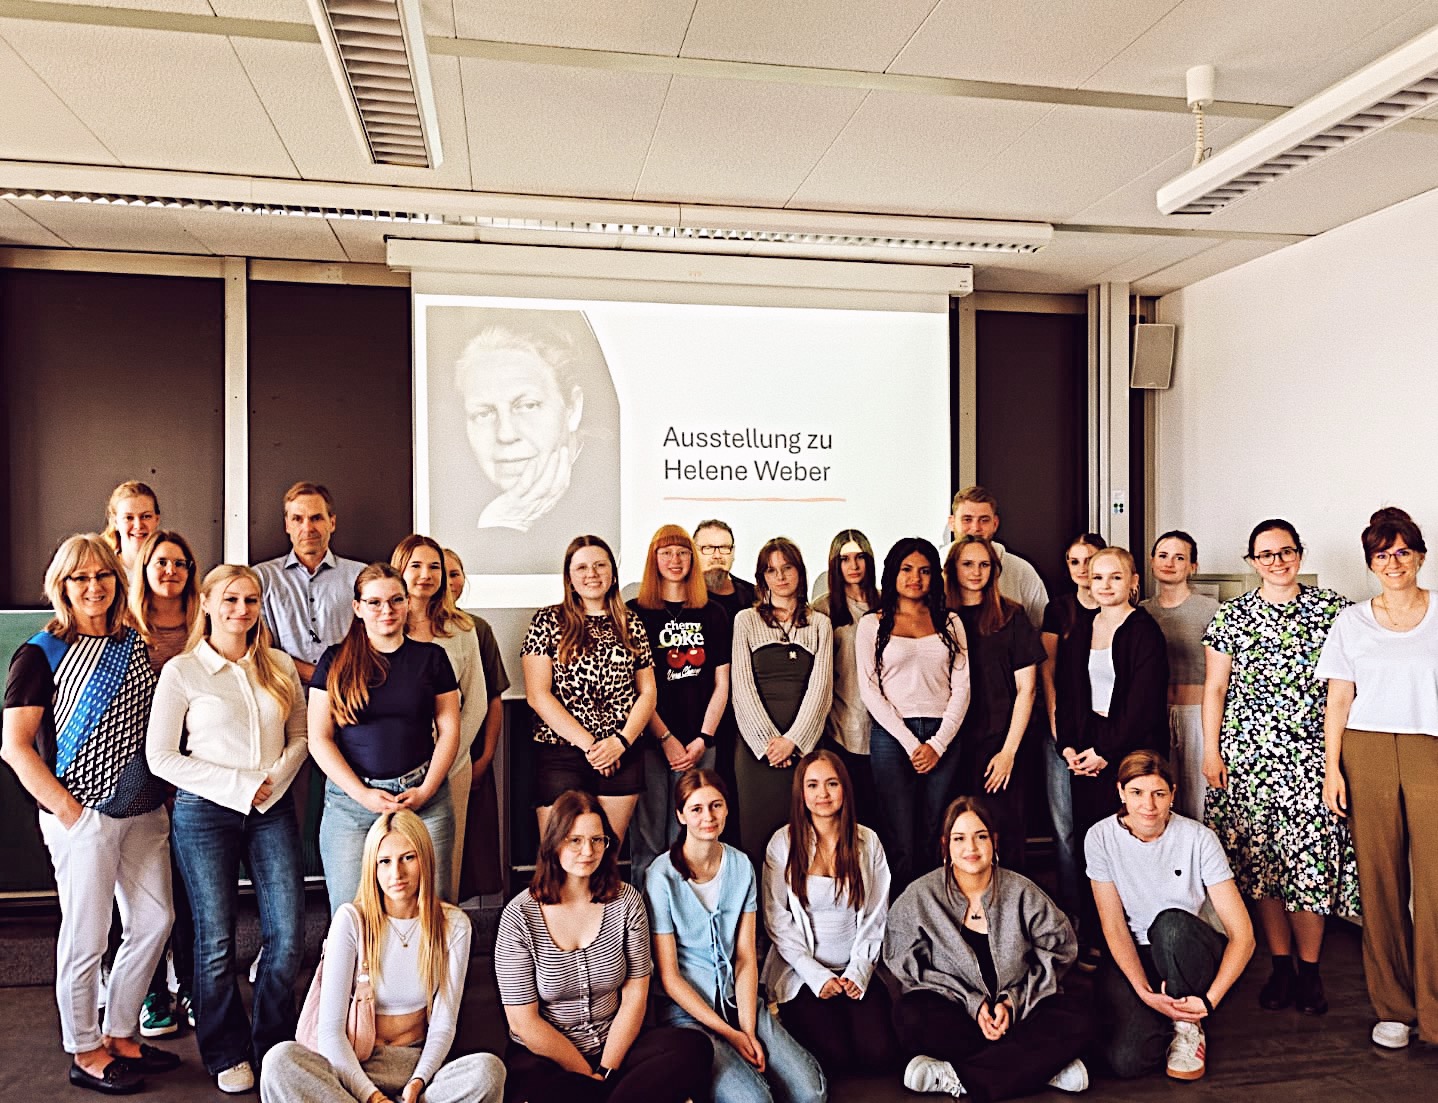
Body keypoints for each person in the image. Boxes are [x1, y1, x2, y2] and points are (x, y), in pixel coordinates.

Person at [2, 534, 179, 1095]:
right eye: (80, 577)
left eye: (103, 575)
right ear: (62, 586)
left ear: (117, 582)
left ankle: (120, 1034)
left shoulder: (134, 643)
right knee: (87, 936)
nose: (93, 586)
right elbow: (16, 746)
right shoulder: (40, 652)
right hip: (83, 815)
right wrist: (70, 813)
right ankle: (84, 1048)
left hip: (144, 811)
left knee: (154, 922)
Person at [146, 564, 308, 1093]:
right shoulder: (183, 671)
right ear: (208, 605)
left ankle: (274, 1047)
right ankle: (225, 1053)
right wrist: (239, 786)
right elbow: (161, 757)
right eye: (231, 599)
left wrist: (269, 783)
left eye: (251, 600)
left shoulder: (278, 664)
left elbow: (301, 735)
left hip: (272, 808)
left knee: (287, 934)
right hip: (205, 813)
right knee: (214, 940)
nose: (242, 610)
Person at [1203, 518, 1356, 1018]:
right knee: (1263, 868)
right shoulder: (1232, 615)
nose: (1277, 561)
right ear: (1252, 562)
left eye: (1285, 551)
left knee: (1308, 868)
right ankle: (1281, 967)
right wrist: (1211, 751)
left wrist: (1335, 764)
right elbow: (1216, 689)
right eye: (1265, 554)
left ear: (1299, 554)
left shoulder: (1334, 610)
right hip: (1247, 760)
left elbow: (1345, 687)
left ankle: (1311, 972)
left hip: (1311, 759)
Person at [261, 811, 506, 1103]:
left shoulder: (454, 925)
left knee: (488, 1071)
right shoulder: (351, 920)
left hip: (417, 1071)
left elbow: (443, 1025)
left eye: (408, 858)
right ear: (372, 867)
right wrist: (372, 1097)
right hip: (351, 1071)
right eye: (385, 862)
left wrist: (417, 1082)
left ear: (425, 859)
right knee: (279, 1061)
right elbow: (330, 1033)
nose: (396, 874)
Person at [495, 790, 711, 1103]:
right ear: (554, 843)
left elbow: (635, 994)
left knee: (694, 1048)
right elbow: (523, 1022)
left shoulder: (627, 901)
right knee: (547, 1092)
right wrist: (587, 1075)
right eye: (575, 840)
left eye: (597, 840)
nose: (588, 851)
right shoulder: (519, 916)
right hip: (547, 1059)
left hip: (616, 1048)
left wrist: (607, 1071)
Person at [1319, 506, 1438, 1049]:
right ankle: (1394, 1008)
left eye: (1402, 552)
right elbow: (1338, 698)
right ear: (1370, 563)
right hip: (1365, 750)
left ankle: (1435, 1011)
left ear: (1420, 556)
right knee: (1380, 881)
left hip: (1429, 748)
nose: (1393, 563)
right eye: (1382, 555)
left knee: (1434, 885)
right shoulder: (1352, 621)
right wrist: (1331, 769)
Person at [884, 796, 1089, 1101]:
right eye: (959, 838)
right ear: (945, 845)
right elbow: (905, 962)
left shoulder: (1022, 892)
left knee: (1078, 1013)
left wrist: (1011, 1002)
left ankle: (959, 1077)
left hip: (1021, 1013)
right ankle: (1040, 1070)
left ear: (994, 841)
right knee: (910, 1015)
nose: (971, 847)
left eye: (980, 837)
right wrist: (973, 1004)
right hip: (957, 1014)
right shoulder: (920, 896)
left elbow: (1059, 950)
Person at [647, 769, 828, 1103]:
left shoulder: (741, 866)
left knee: (811, 1093)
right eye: (696, 809)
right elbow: (670, 977)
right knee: (756, 1101)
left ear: (727, 808)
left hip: (737, 1000)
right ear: (680, 815)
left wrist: (747, 1028)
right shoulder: (660, 876)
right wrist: (730, 1035)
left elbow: (745, 957)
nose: (708, 817)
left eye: (716, 806)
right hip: (688, 1014)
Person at [1087, 751, 1255, 1081]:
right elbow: (1114, 926)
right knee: (1128, 1061)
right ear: (1120, 792)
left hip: (1189, 944)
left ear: (1173, 794)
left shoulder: (1198, 838)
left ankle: (1188, 1025)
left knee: (1170, 925)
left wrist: (1209, 1002)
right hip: (1139, 951)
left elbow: (1244, 936)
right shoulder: (1100, 837)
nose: (1148, 805)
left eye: (1159, 794)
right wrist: (1145, 994)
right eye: (1137, 793)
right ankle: (1165, 1013)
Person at [309, 564, 461, 914]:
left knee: (433, 908)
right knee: (351, 912)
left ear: (407, 603)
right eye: (374, 602)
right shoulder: (334, 661)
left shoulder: (432, 658)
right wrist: (362, 794)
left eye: (395, 600)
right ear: (358, 607)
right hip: (351, 803)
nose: (386, 610)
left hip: (424, 797)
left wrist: (425, 791)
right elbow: (319, 738)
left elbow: (450, 730)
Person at [1055, 546, 1168, 959]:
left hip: (1131, 750)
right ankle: (1097, 936)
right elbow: (1068, 692)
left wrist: (1105, 751)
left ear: (1133, 581)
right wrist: (1068, 746)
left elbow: (1143, 703)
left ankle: (1139, 938)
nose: (1105, 585)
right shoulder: (1082, 627)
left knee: (1132, 840)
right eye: (1098, 576)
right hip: (1087, 747)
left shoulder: (1144, 630)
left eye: (1115, 577)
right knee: (1093, 842)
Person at [444, 315, 621, 573]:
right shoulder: (454, 505)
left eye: (527, 406)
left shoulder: (614, 493)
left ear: (573, 408)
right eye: (483, 414)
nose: (505, 434)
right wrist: (501, 522)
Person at [762, 749, 897, 1076]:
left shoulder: (868, 841)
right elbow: (776, 917)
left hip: (855, 966)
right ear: (801, 792)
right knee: (835, 1058)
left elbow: (877, 914)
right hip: (802, 972)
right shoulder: (783, 842)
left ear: (845, 788)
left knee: (878, 1055)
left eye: (832, 783)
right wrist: (815, 975)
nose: (822, 793)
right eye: (812, 785)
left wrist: (859, 970)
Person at [522, 535, 656, 845]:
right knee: (561, 852)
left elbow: (648, 692)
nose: (592, 574)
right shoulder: (547, 620)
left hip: (622, 752)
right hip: (561, 754)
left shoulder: (631, 622)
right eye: (581, 567)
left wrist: (620, 742)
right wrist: (594, 748)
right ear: (569, 577)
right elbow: (538, 695)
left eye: (600, 565)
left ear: (613, 574)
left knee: (606, 852)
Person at [857, 537, 968, 893]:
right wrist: (909, 743)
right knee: (899, 834)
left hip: (944, 735)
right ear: (892, 573)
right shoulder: (872, 624)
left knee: (936, 831)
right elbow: (869, 690)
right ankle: (902, 913)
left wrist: (937, 744)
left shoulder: (950, 622)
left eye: (924, 571)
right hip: (892, 737)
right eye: (906, 569)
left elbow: (962, 687)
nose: (915, 578)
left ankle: (937, 909)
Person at [127, 530, 202, 1040]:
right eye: (161, 563)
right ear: (146, 570)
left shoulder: (204, 624)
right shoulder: (127, 627)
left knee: (191, 888)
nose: (171, 571)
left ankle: (193, 985)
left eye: (180, 563)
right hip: (137, 775)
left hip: (195, 773)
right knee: (144, 895)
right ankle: (152, 991)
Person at [626, 525, 732, 885]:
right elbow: (636, 688)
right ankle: (646, 918)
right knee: (649, 841)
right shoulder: (634, 613)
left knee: (693, 838)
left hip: (700, 744)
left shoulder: (714, 613)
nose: (675, 560)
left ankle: (686, 914)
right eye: (666, 552)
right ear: (653, 559)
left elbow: (721, 684)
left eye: (683, 552)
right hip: (651, 742)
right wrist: (666, 738)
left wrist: (703, 738)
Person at [392, 535, 488, 900]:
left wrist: (445, 760)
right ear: (399, 569)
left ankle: (440, 935)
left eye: (434, 567)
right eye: (415, 565)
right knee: (397, 867)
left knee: (445, 868)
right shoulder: (383, 621)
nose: (426, 575)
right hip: (394, 768)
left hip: (452, 765)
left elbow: (476, 701)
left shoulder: (461, 628)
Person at [944, 536, 1045, 871]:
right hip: (951, 745)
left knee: (1005, 833)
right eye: (967, 564)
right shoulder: (938, 618)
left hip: (1001, 744)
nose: (976, 572)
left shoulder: (1012, 617)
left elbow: (1027, 689)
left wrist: (1008, 753)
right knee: (957, 835)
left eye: (984, 565)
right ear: (952, 569)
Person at [731, 538, 833, 870]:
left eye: (787, 568)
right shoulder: (745, 620)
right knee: (757, 839)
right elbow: (742, 687)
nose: (781, 577)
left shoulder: (819, 623)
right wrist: (768, 743)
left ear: (799, 572)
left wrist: (794, 742)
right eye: (771, 570)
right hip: (757, 751)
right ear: (762, 577)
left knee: (806, 839)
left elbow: (821, 688)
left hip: (804, 748)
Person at [1039, 533, 1106, 919]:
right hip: (1061, 732)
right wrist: (1055, 726)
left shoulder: (1118, 609)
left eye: (1090, 559)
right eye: (1074, 561)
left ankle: (1105, 916)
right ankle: (1072, 917)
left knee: (1105, 824)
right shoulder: (1058, 610)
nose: (1083, 569)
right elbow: (1048, 671)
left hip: (1106, 736)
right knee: (1065, 829)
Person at [1139, 531, 1219, 820]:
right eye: (1163, 556)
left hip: (1197, 713)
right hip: (1155, 715)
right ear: (1152, 561)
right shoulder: (1141, 611)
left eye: (1179, 557)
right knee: (1159, 793)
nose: (1169, 563)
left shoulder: (1210, 610)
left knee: (1198, 795)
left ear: (1192, 566)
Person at [443, 547, 509, 899]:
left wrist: (484, 758)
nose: (447, 581)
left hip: (469, 751)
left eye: (455, 573)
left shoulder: (475, 629)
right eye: (440, 572)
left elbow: (492, 698)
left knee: (470, 849)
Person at [254, 481, 365, 686]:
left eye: (316, 518)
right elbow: (261, 650)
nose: (307, 528)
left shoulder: (361, 576)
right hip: (284, 694)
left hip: (349, 692)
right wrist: (322, 679)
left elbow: (374, 641)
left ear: (332, 523)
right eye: (297, 519)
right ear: (287, 525)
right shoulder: (261, 578)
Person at [810, 530, 881, 827]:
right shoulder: (822, 609)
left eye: (860, 557)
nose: (853, 566)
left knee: (882, 814)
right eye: (845, 559)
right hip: (840, 726)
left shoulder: (887, 603)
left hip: (884, 727)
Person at [944, 487, 1048, 629]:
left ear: (995, 524)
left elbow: (1041, 627)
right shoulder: (934, 566)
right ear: (952, 523)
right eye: (967, 519)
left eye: (984, 520)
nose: (976, 528)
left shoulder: (1021, 571)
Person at [694, 519, 757, 621]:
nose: (717, 555)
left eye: (724, 547)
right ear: (693, 552)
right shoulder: (678, 597)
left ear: (733, 552)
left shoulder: (755, 597)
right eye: (708, 548)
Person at [103, 480, 162, 575]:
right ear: (115, 522)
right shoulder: (102, 571)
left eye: (146, 516)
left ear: (157, 519)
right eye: (128, 518)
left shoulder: (170, 569)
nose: (138, 526)